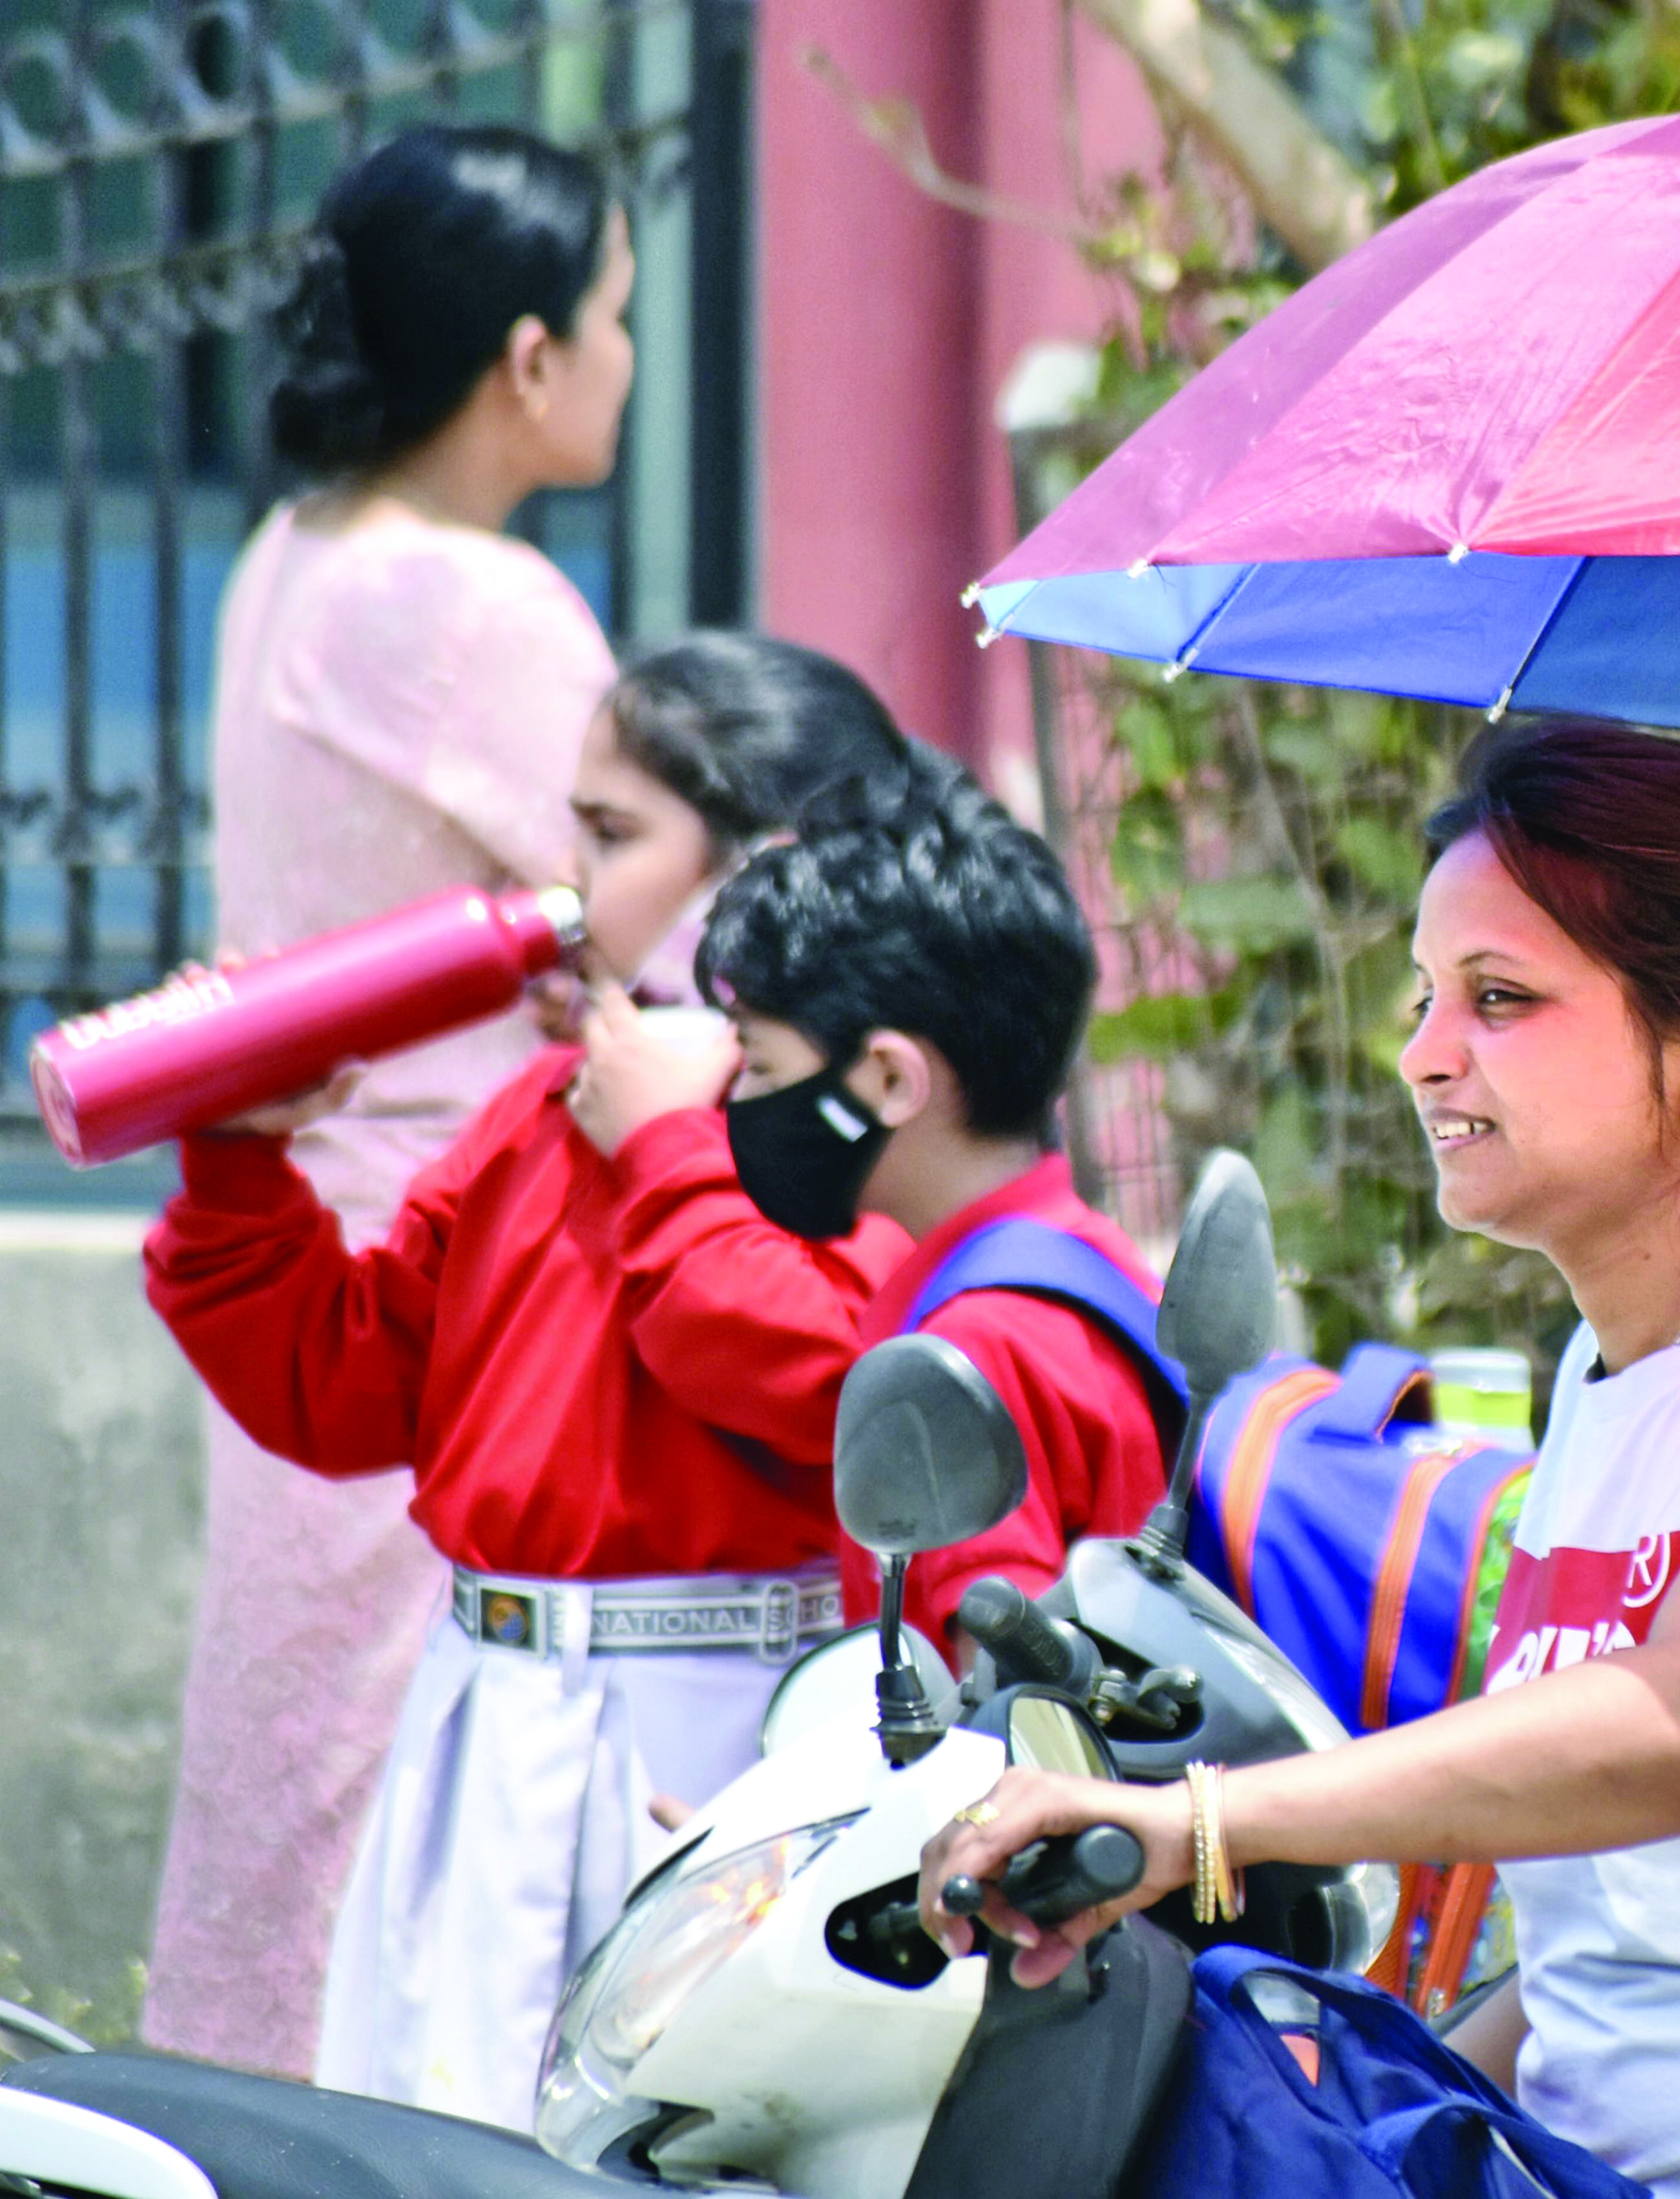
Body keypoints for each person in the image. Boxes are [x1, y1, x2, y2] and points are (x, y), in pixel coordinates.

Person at [919, 720, 1680, 2199]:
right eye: (1426, 997)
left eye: (1501, 1000)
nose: (1424, 1054)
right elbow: (1618, 1963)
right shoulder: (1607, 1372)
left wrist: (1192, 1823)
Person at [144, 634, 917, 2131]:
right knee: (441, 2138)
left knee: (661, 2139)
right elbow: (354, 1384)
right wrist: (240, 1158)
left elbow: (828, 1376)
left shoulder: (837, 1128)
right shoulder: (538, 1107)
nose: (569, 886)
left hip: (705, 1718)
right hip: (481, 1715)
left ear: (769, 858)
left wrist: (672, 1147)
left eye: (616, 837)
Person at [149, 121, 634, 2080]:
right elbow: (657, 915)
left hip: (304, 1216)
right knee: (410, 1776)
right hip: (452, 1248)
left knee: (291, 1752)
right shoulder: (480, 606)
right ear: (525, 359)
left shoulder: (293, 553)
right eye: (609, 318)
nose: (618, 354)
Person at [656, 759, 1170, 1651]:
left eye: (764, 1067)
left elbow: (995, 1715)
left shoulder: (967, 1358)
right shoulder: (1086, 1258)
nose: (741, 1099)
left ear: (889, 1077)